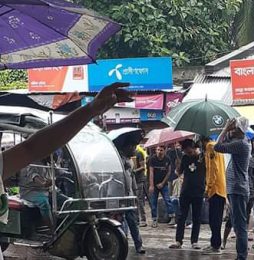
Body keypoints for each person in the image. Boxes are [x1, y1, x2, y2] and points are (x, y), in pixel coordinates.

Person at [0, 82, 131, 260]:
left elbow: (32, 147)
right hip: (32, 193)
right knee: (45, 205)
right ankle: (52, 230)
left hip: (45, 191)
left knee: (65, 201)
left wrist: (91, 109)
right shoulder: (27, 167)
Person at [214, 116, 251, 260]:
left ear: (239, 130)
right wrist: (229, 130)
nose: (231, 130)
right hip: (235, 188)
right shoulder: (240, 142)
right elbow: (225, 140)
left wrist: (225, 129)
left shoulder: (241, 144)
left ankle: (242, 256)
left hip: (238, 188)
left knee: (240, 225)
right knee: (236, 223)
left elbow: (217, 146)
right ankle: (240, 254)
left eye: (234, 128)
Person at [169, 139, 205, 250]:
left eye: (189, 152)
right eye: (185, 152)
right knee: (181, 217)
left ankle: (194, 241)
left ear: (194, 148)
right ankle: (178, 240)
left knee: (196, 217)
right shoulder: (184, 158)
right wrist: (178, 166)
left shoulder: (202, 158)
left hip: (198, 191)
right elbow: (179, 172)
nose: (188, 154)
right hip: (185, 191)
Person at [114, 134, 145, 254]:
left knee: (133, 222)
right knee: (119, 222)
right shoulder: (117, 159)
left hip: (130, 195)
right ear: (127, 146)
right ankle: (122, 245)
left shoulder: (130, 161)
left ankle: (139, 245)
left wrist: (135, 193)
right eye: (133, 147)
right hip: (119, 196)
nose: (135, 149)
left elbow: (132, 178)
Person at [221, 151, 254, 250]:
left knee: (244, 220)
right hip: (237, 192)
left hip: (249, 194)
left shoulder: (253, 162)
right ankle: (224, 241)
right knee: (231, 218)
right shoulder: (234, 161)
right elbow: (228, 176)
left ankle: (243, 243)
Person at [201, 136, 226, 255]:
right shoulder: (217, 146)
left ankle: (216, 246)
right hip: (221, 188)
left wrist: (208, 187)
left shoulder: (210, 147)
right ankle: (214, 243)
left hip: (215, 189)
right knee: (215, 219)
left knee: (214, 220)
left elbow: (212, 169)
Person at [18, 158, 53, 235]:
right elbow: (34, 176)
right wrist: (43, 183)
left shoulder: (49, 163)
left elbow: (59, 172)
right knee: (44, 202)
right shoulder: (33, 163)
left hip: (46, 190)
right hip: (30, 191)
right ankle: (52, 228)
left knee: (65, 200)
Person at [149, 145, 175, 227]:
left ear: (164, 150)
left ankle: (172, 217)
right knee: (153, 202)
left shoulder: (167, 159)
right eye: (158, 150)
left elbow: (169, 172)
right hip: (155, 183)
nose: (159, 152)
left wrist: (163, 183)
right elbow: (151, 172)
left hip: (164, 184)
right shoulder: (152, 159)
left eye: (161, 150)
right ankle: (154, 219)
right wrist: (151, 185)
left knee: (167, 200)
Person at [132, 145, 148, 227]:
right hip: (132, 180)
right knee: (134, 201)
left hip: (139, 179)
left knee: (139, 200)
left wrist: (134, 171)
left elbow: (143, 167)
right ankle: (136, 219)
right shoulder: (129, 154)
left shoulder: (139, 153)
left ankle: (143, 219)